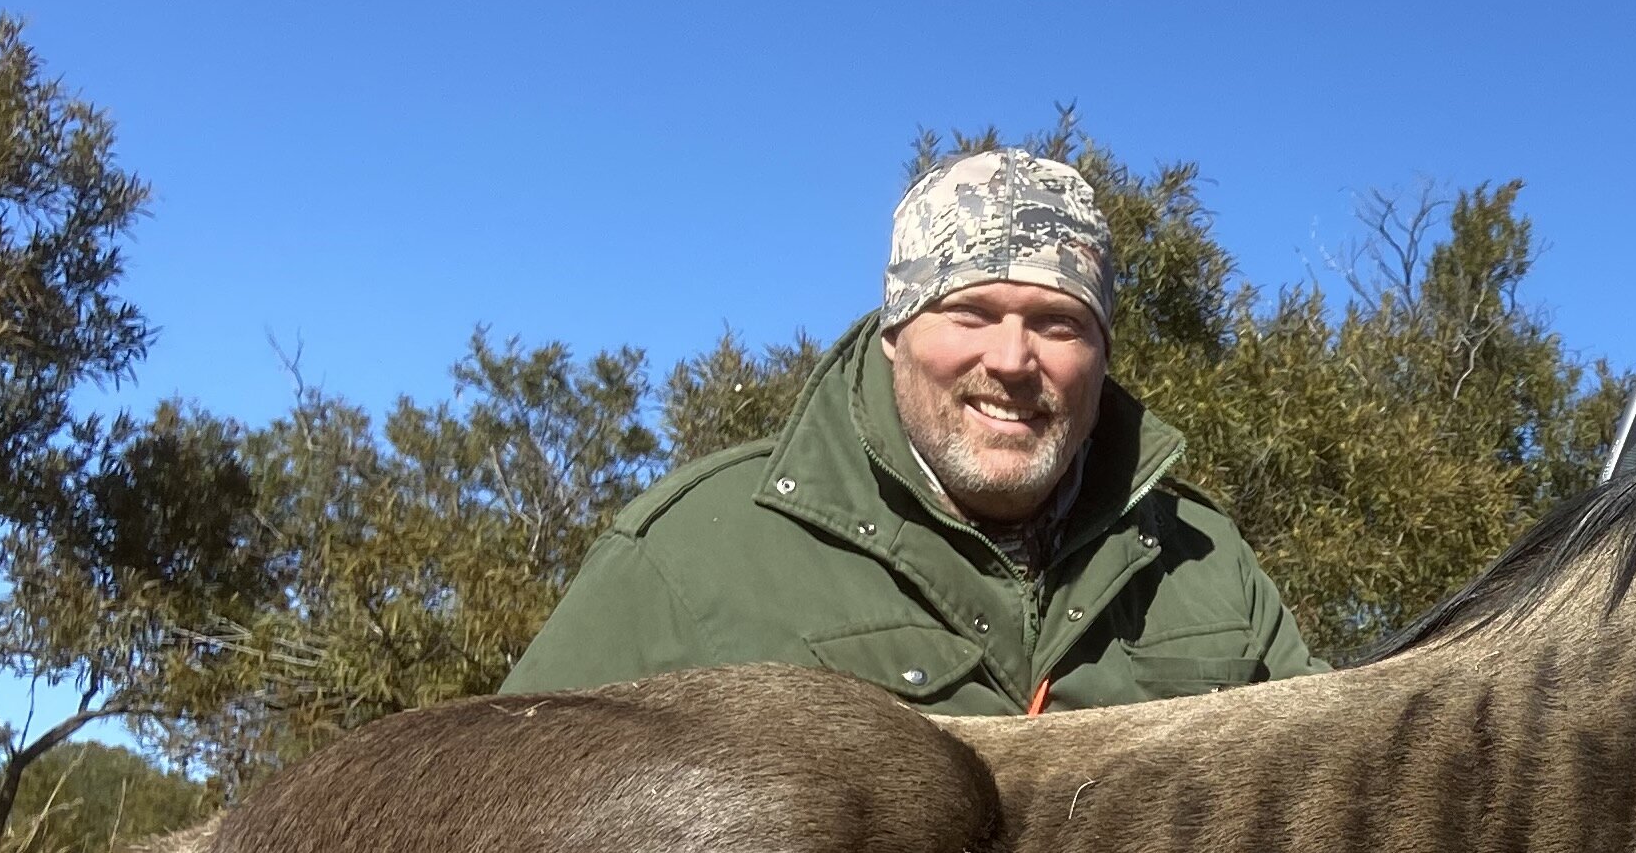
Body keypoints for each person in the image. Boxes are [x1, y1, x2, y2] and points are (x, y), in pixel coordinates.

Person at [504, 151, 1317, 710]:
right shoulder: (688, 554)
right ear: (895, 333)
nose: (1012, 359)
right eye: (969, 312)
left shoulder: (1208, 563)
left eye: (1059, 324)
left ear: (1103, 354)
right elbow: (495, 831)